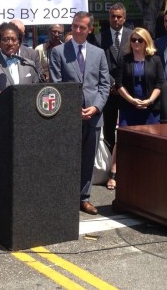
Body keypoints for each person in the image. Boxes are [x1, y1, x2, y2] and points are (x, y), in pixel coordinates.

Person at [49, 11, 110, 215]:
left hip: (93, 116)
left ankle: (84, 198)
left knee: (87, 160)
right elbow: (56, 85)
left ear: (90, 29)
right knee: (68, 158)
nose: (77, 30)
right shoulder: (58, 52)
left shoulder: (98, 53)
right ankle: (64, 198)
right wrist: (73, 109)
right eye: (74, 26)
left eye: (82, 27)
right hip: (69, 116)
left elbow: (104, 85)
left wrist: (96, 107)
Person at [107, 27, 164, 190]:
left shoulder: (155, 60)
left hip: (150, 107)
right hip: (128, 106)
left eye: (140, 40)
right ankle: (114, 174)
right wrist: (132, 100)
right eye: (133, 40)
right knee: (123, 140)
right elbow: (118, 84)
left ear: (147, 41)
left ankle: (150, 172)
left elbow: (160, 83)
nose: (136, 43)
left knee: (151, 141)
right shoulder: (124, 59)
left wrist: (149, 100)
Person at [95, 3, 133, 150]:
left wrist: (121, 85)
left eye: (119, 17)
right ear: (109, 17)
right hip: (109, 90)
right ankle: (110, 159)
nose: (116, 19)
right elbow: (99, 65)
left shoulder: (133, 36)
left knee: (128, 126)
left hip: (128, 89)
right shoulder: (99, 38)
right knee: (109, 127)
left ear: (124, 18)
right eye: (113, 16)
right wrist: (112, 84)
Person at [0, 22, 41, 105]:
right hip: (1, 115)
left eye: (14, 39)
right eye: (5, 39)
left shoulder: (29, 64)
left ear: (19, 42)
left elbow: (36, 91)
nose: (10, 43)